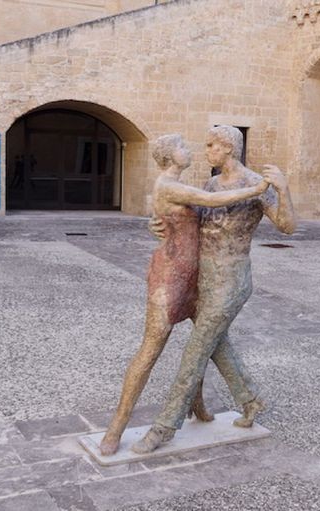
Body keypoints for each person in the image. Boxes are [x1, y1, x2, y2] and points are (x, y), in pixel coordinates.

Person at [99, 134, 269, 456]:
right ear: (168, 156)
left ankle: (232, 403)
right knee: (152, 351)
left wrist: (158, 221)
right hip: (172, 276)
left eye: (205, 145)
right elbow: (214, 202)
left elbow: (192, 218)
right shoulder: (169, 184)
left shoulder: (188, 185)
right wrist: (257, 189)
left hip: (199, 277)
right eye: (183, 147)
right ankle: (117, 427)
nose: (192, 150)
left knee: (211, 343)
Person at [132, 126, 296, 454]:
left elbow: (287, 226)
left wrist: (285, 190)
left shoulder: (255, 183)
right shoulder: (210, 183)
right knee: (216, 344)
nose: (206, 150)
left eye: (211, 146)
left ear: (228, 148)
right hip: (203, 275)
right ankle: (251, 400)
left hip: (232, 277)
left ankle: (165, 425)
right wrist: (158, 225)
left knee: (196, 349)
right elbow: (191, 219)